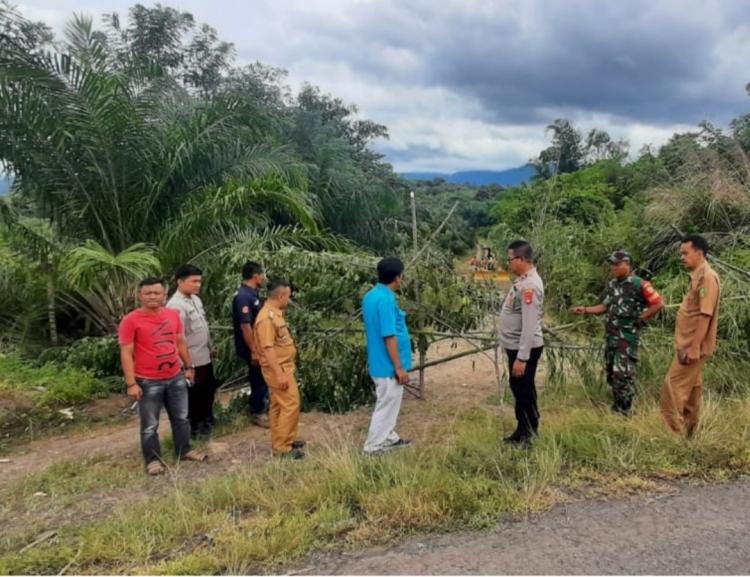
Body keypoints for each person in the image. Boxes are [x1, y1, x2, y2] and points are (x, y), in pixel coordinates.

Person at [119, 277, 206, 475]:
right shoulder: (130, 320)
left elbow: (180, 342)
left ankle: (184, 450)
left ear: (164, 295)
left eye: (156, 293)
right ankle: (153, 460)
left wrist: (188, 366)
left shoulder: (172, 315)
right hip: (148, 380)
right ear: (140, 296)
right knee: (150, 424)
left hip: (175, 376)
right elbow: (126, 352)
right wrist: (131, 383)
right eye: (148, 293)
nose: (152, 296)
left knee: (182, 418)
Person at [571, 251, 664, 415]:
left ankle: (626, 411)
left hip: (626, 338)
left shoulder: (639, 284)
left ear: (627, 265)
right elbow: (604, 307)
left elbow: (658, 303)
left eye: (617, 264)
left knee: (623, 374)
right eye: (611, 264)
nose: (613, 267)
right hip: (611, 336)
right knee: (611, 373)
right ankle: (617, 407)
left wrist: (641, 318)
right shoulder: (612, 285)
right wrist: (585, 310)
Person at [661, 235, 721, 436]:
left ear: (699, 253)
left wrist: (694, 346)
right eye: (681, 253)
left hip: (692, 347)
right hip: (688, 345)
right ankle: (690, 434)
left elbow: (705, 314)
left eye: (685, 253)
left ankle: (672, 436)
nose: (682, 257)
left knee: (672, 387)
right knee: (693, 392)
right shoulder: (698, 276)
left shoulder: (707, 277)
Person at [362, 257, 412, 454]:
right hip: (387, 365)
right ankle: (373, 446)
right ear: (398, 278)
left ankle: (389, 437)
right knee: (386, 404)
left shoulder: (371, 296)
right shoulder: (385, 300)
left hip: (380, 361)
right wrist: (398, 367)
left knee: (390, 403)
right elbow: (388, 335)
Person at [499, 240, 544, 446]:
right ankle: (521, 430)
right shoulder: (522, 281)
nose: (509, 264)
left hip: (523, 349)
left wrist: (522, 357)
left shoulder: (530, 286)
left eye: (510, 259)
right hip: (516, 347)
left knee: (524, 390)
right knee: (519, 389)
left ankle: (529, 434)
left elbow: (529, 324)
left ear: (521, 259)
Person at [254, 280, 305, 459]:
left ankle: (283, 440)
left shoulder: (275, 314)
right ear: (282, 296)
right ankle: (282, 448)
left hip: (284, 366)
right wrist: (279, 374)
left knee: (278, 405)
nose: (288, 300)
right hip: (278, 369)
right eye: (288, 297)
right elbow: (267, 348)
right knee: (291, 404)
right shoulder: (266, 318)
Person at [166, 264, 217, 440]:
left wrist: (210, 345)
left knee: (208, 390)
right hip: (191, 359)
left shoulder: (195, 300)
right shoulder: (175, 306)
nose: (197, 285)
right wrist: (186, 365)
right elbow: (177, 338)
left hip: (203, 355)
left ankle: (207, 420)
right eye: (193, 281)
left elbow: (201, 326)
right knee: (194, 394)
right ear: (180, 282)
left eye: (199, 281)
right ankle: (196, 428)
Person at [232, 261, 269, 428]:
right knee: (258, 378)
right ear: (256, 276)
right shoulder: (244, 297)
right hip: (251, 346)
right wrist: (254, 350)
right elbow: (245, 326)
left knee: (261, 377)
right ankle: (257, 412)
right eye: (262, 275)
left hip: (259, 344)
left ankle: (260, 407)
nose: (264, 278)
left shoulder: (253, 293)